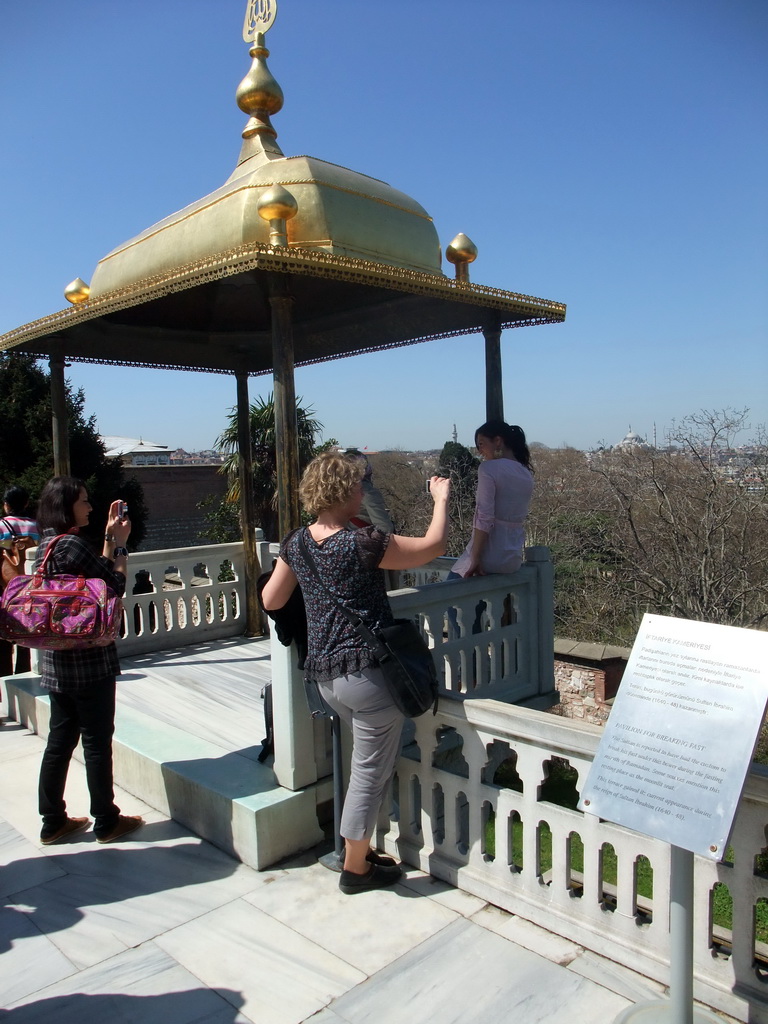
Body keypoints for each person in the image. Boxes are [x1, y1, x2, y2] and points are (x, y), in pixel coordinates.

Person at [261, 451, 450, 894]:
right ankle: (355, 869)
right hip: (367, 677)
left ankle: (358, 852)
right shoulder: (360, 544)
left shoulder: (296, 542)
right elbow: (433, 547)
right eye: (358, 485)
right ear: (343, 491)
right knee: (369, 773)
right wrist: (441, 499)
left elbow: (271, 599)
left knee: (364, 764)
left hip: (326, 678)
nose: (363, 491)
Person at [34, 476, 144, 845]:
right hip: (90, 662)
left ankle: (52, 822)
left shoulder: (48, 546)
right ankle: (107, 821)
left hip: (56, 660)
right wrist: (122, 548)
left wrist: (110, 540)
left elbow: (89, 576)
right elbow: (112, 588)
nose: (90, 507)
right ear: (67, 505)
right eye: (83, 501)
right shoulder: (73, 545)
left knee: (59, 741)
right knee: (97, 742)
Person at [448, 420, 534, 632]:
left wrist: (475, 557)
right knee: (478, 608)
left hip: (490, 552)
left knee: (453, 604)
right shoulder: (525, 473)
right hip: (511, 554)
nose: (479, 451)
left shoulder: (489, 468)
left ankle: (473, 661)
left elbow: (484, 516)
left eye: (481, 443)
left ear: (498, 441)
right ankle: (480, 659)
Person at [0, 485, 40, 676]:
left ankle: (4, 682)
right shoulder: (37, 526)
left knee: (2, 640)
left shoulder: (1, 526)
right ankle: (24, 675)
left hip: (5, 589)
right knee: (26, 635)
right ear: (26, 503)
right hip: (31, 589)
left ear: (6, 505)